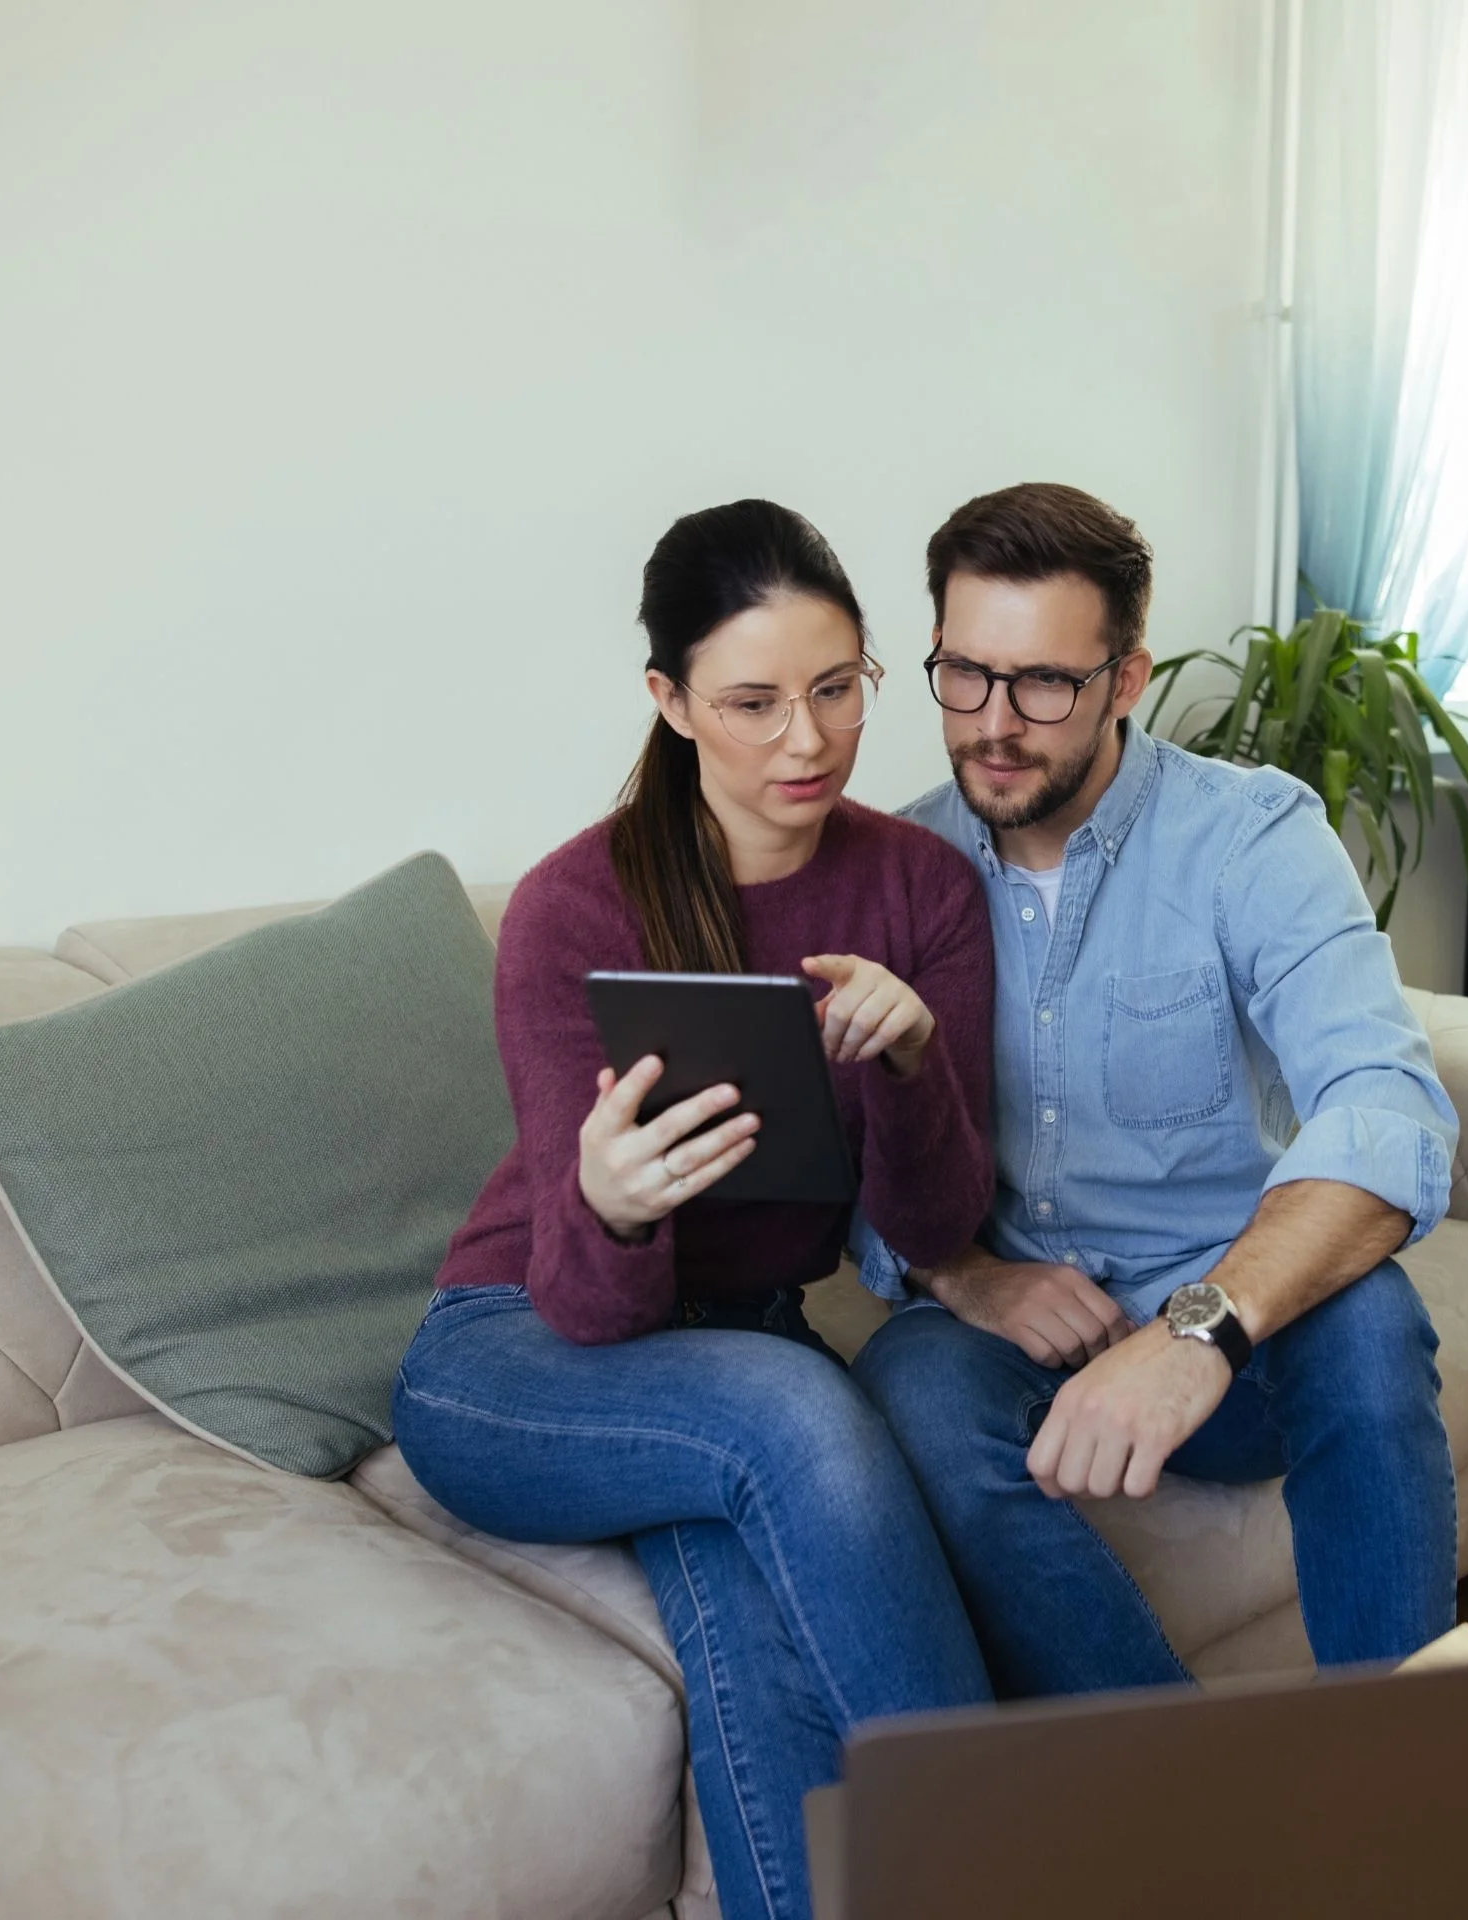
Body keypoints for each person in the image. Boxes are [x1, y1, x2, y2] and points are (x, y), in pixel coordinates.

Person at [392, 499, 995, 1920]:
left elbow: (935, 1232)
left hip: (737, 1358)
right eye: (753, 702)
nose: (809, 739)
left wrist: (911, 1065)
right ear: (670, 702)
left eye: (838, 688)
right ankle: (1006, 1868)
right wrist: (607, 1206)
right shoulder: (574, 907)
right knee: (794, 1415)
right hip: (513, 1352)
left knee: (754, 1612)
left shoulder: (922, 889)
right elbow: (590, 1311)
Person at [850, 482, 1460, 1697]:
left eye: (1043, 683)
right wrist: (970, 1277)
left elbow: (1386, 1104)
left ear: (1125, 680)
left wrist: (1201, 1328)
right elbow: (859, 1168)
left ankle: (1404, 1767)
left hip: (1235, 1330)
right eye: (962, 675)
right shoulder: (896, 873)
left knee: (1372, 1323)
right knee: (907, 1389)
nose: (992, 725)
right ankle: (1178, 1777)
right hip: (1020, 1338)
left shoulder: (1251, 838)